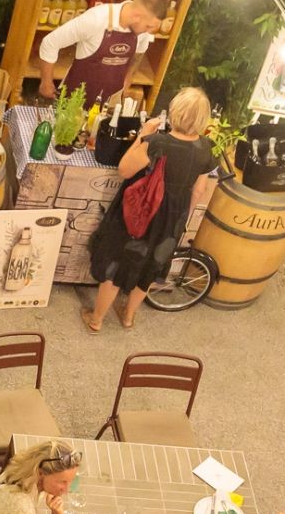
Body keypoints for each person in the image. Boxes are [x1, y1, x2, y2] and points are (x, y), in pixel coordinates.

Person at [82, 86, 216, 334]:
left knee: (118, 260)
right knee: (150, 266)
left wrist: (142, 135)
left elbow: (125, 170)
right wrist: (181, 219)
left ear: (175, 112)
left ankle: (97, 318)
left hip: (142, 212)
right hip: (173, 217)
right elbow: (198, 191)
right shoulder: (205, 148)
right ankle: (129, 316)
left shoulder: (158, 143)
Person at [34, 0, 173, 106]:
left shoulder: (142, 31)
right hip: (74, 100)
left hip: (110, 103)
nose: (149, 32)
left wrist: (128, 78)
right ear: (137, 16)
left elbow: (140, 52)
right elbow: (50, 42)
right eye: (148, 26)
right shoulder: (96, 19)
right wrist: (46, 82)